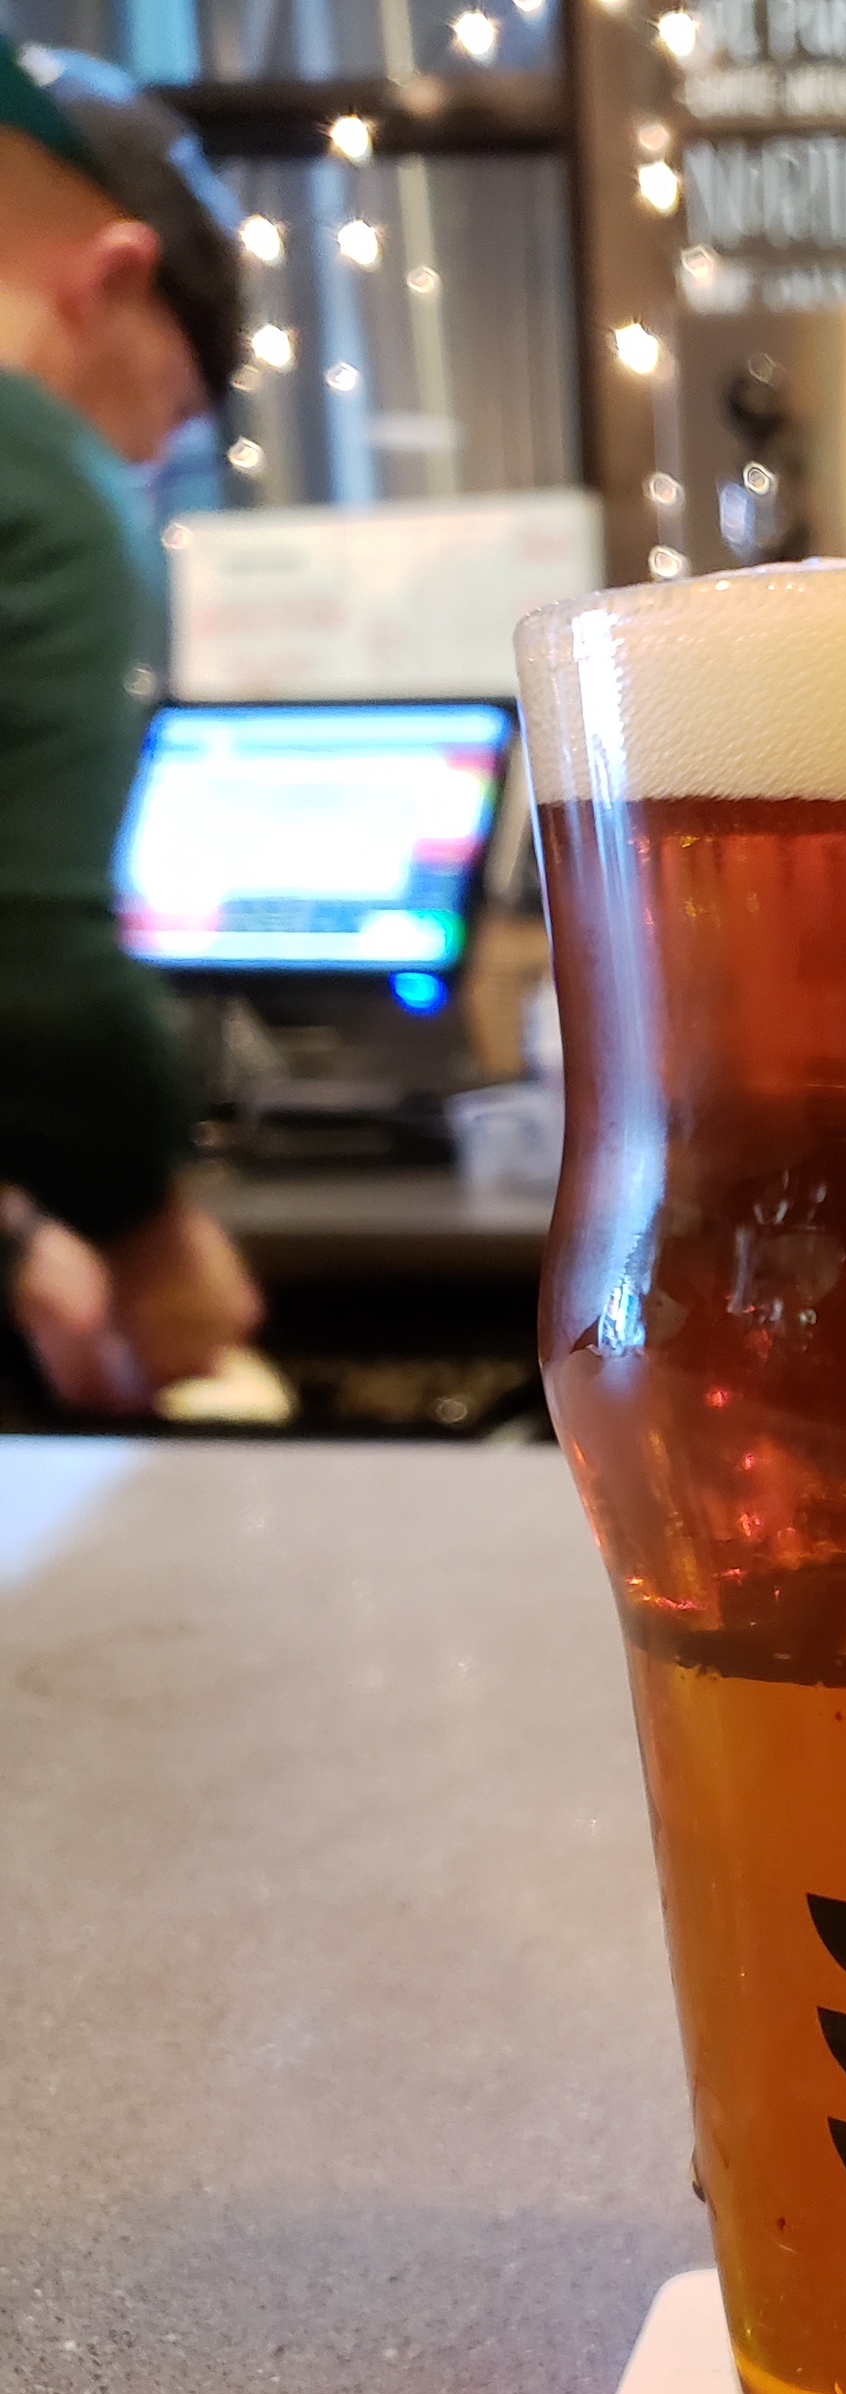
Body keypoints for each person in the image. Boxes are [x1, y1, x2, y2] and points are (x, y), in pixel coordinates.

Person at [0, 39, 261, 1411]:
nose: (148, 464)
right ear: (108, 278)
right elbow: (29, 965)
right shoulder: (38, 470)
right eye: (167, 411)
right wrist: (153, 1244)